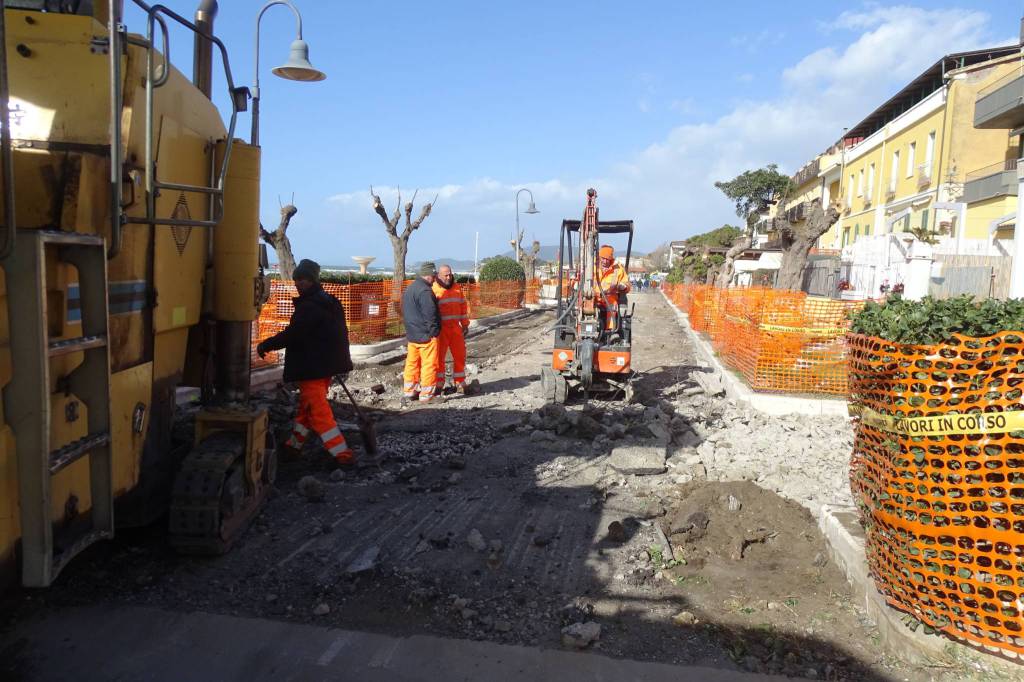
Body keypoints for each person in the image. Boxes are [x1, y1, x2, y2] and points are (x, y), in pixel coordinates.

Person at [256, 259, 354, 465]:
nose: (299, 284)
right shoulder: (329, 301)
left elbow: (293, 334)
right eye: (297, 280)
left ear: (313, 280)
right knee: (307, 409)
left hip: (313, 368)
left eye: (304, 280)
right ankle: (293, 445)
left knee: (319, 413)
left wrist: (267, 345)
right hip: (325, 365)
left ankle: (342, 454)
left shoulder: (310, 306)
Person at [402, 262, 442, 403]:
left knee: (412, 363)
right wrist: (434, 332)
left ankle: (410, 391)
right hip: (426, 336)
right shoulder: (425, 292)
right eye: (434, 275)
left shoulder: (410, 289)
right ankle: (427, 394)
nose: (435, 278)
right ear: (429, 275)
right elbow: (430, 315)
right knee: (429, 365)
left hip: (412, 335)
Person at [432, 264, 471, 394]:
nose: (449, 277)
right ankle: (439, 384)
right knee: (439, 358)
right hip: (441, 329)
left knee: (460, 355)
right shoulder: (433, 289)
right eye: (446, 275)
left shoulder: (456, 288)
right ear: (439, 275)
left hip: (455, 328)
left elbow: (463, 307)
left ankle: (460, 382)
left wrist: (465, 324)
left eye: (450, 274)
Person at [597, 245, 631, 330]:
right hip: (594, 296)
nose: (604, 261)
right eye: (603, 258)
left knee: (612, 305)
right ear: (599, 257)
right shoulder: (592, 267)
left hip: (610, 297)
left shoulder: (618, 269)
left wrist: (623, 286)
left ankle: (610, 331)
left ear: (611, 258)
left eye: (607, 259)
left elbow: (626, 283)